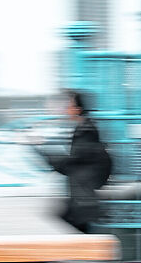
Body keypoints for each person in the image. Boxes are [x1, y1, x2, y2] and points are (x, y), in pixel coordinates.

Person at [35, 89, 114, 235]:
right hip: (83, 191)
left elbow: (72, 162)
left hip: (84, 195)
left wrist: (43, 152)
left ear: (78, 109)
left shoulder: (86, 131)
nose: (66, 109)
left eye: (69, 105)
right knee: (74, 221)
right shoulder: (84, 129)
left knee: (75, 221)